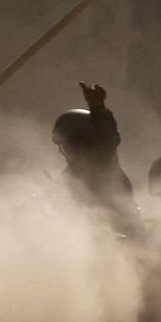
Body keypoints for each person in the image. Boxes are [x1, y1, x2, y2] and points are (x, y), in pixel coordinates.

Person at [53, 81, 136, 233]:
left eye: (70, 144)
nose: (67, 151)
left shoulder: (105, 164)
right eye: (64, 146)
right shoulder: (70, 175)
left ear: (84, 140)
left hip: (121, 242)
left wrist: (98, 108)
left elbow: (108, 138)